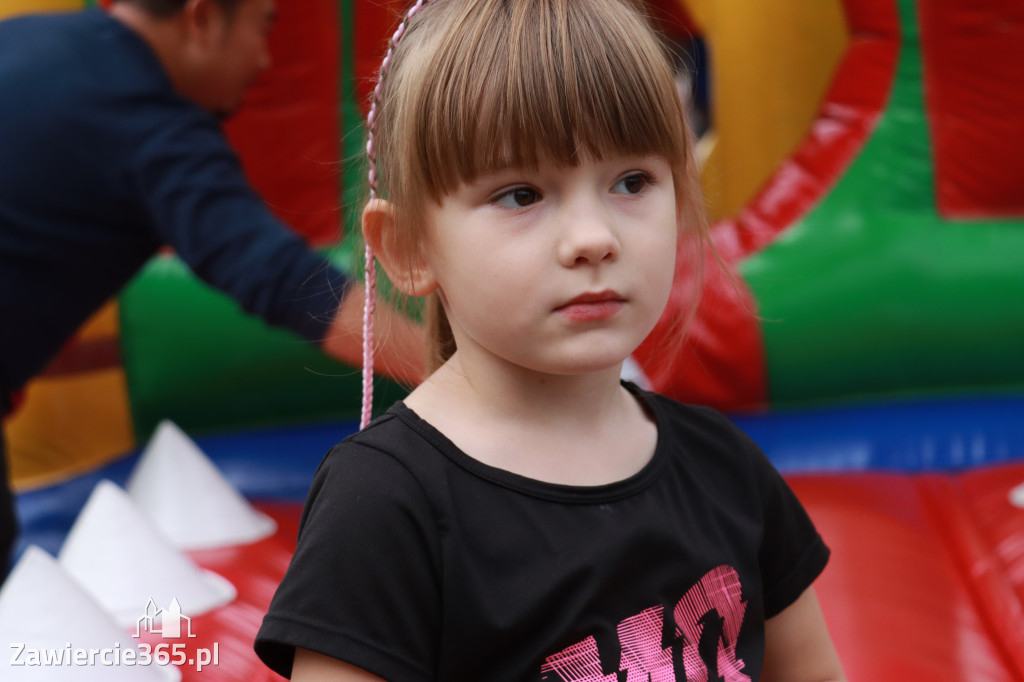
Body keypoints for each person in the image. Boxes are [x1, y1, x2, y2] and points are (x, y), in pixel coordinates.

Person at [254, 0, 847, 679]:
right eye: (521, 194)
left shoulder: (727, 471)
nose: (594, 238)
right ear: (410, 246)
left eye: (631, 182)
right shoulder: (385, 506)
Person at [0, 0, 424, 579]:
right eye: (262, 26)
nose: (265, 57)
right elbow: (282, 280)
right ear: (200, 18)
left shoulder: (25, 41)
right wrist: (451, 367)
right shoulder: (149, 123)